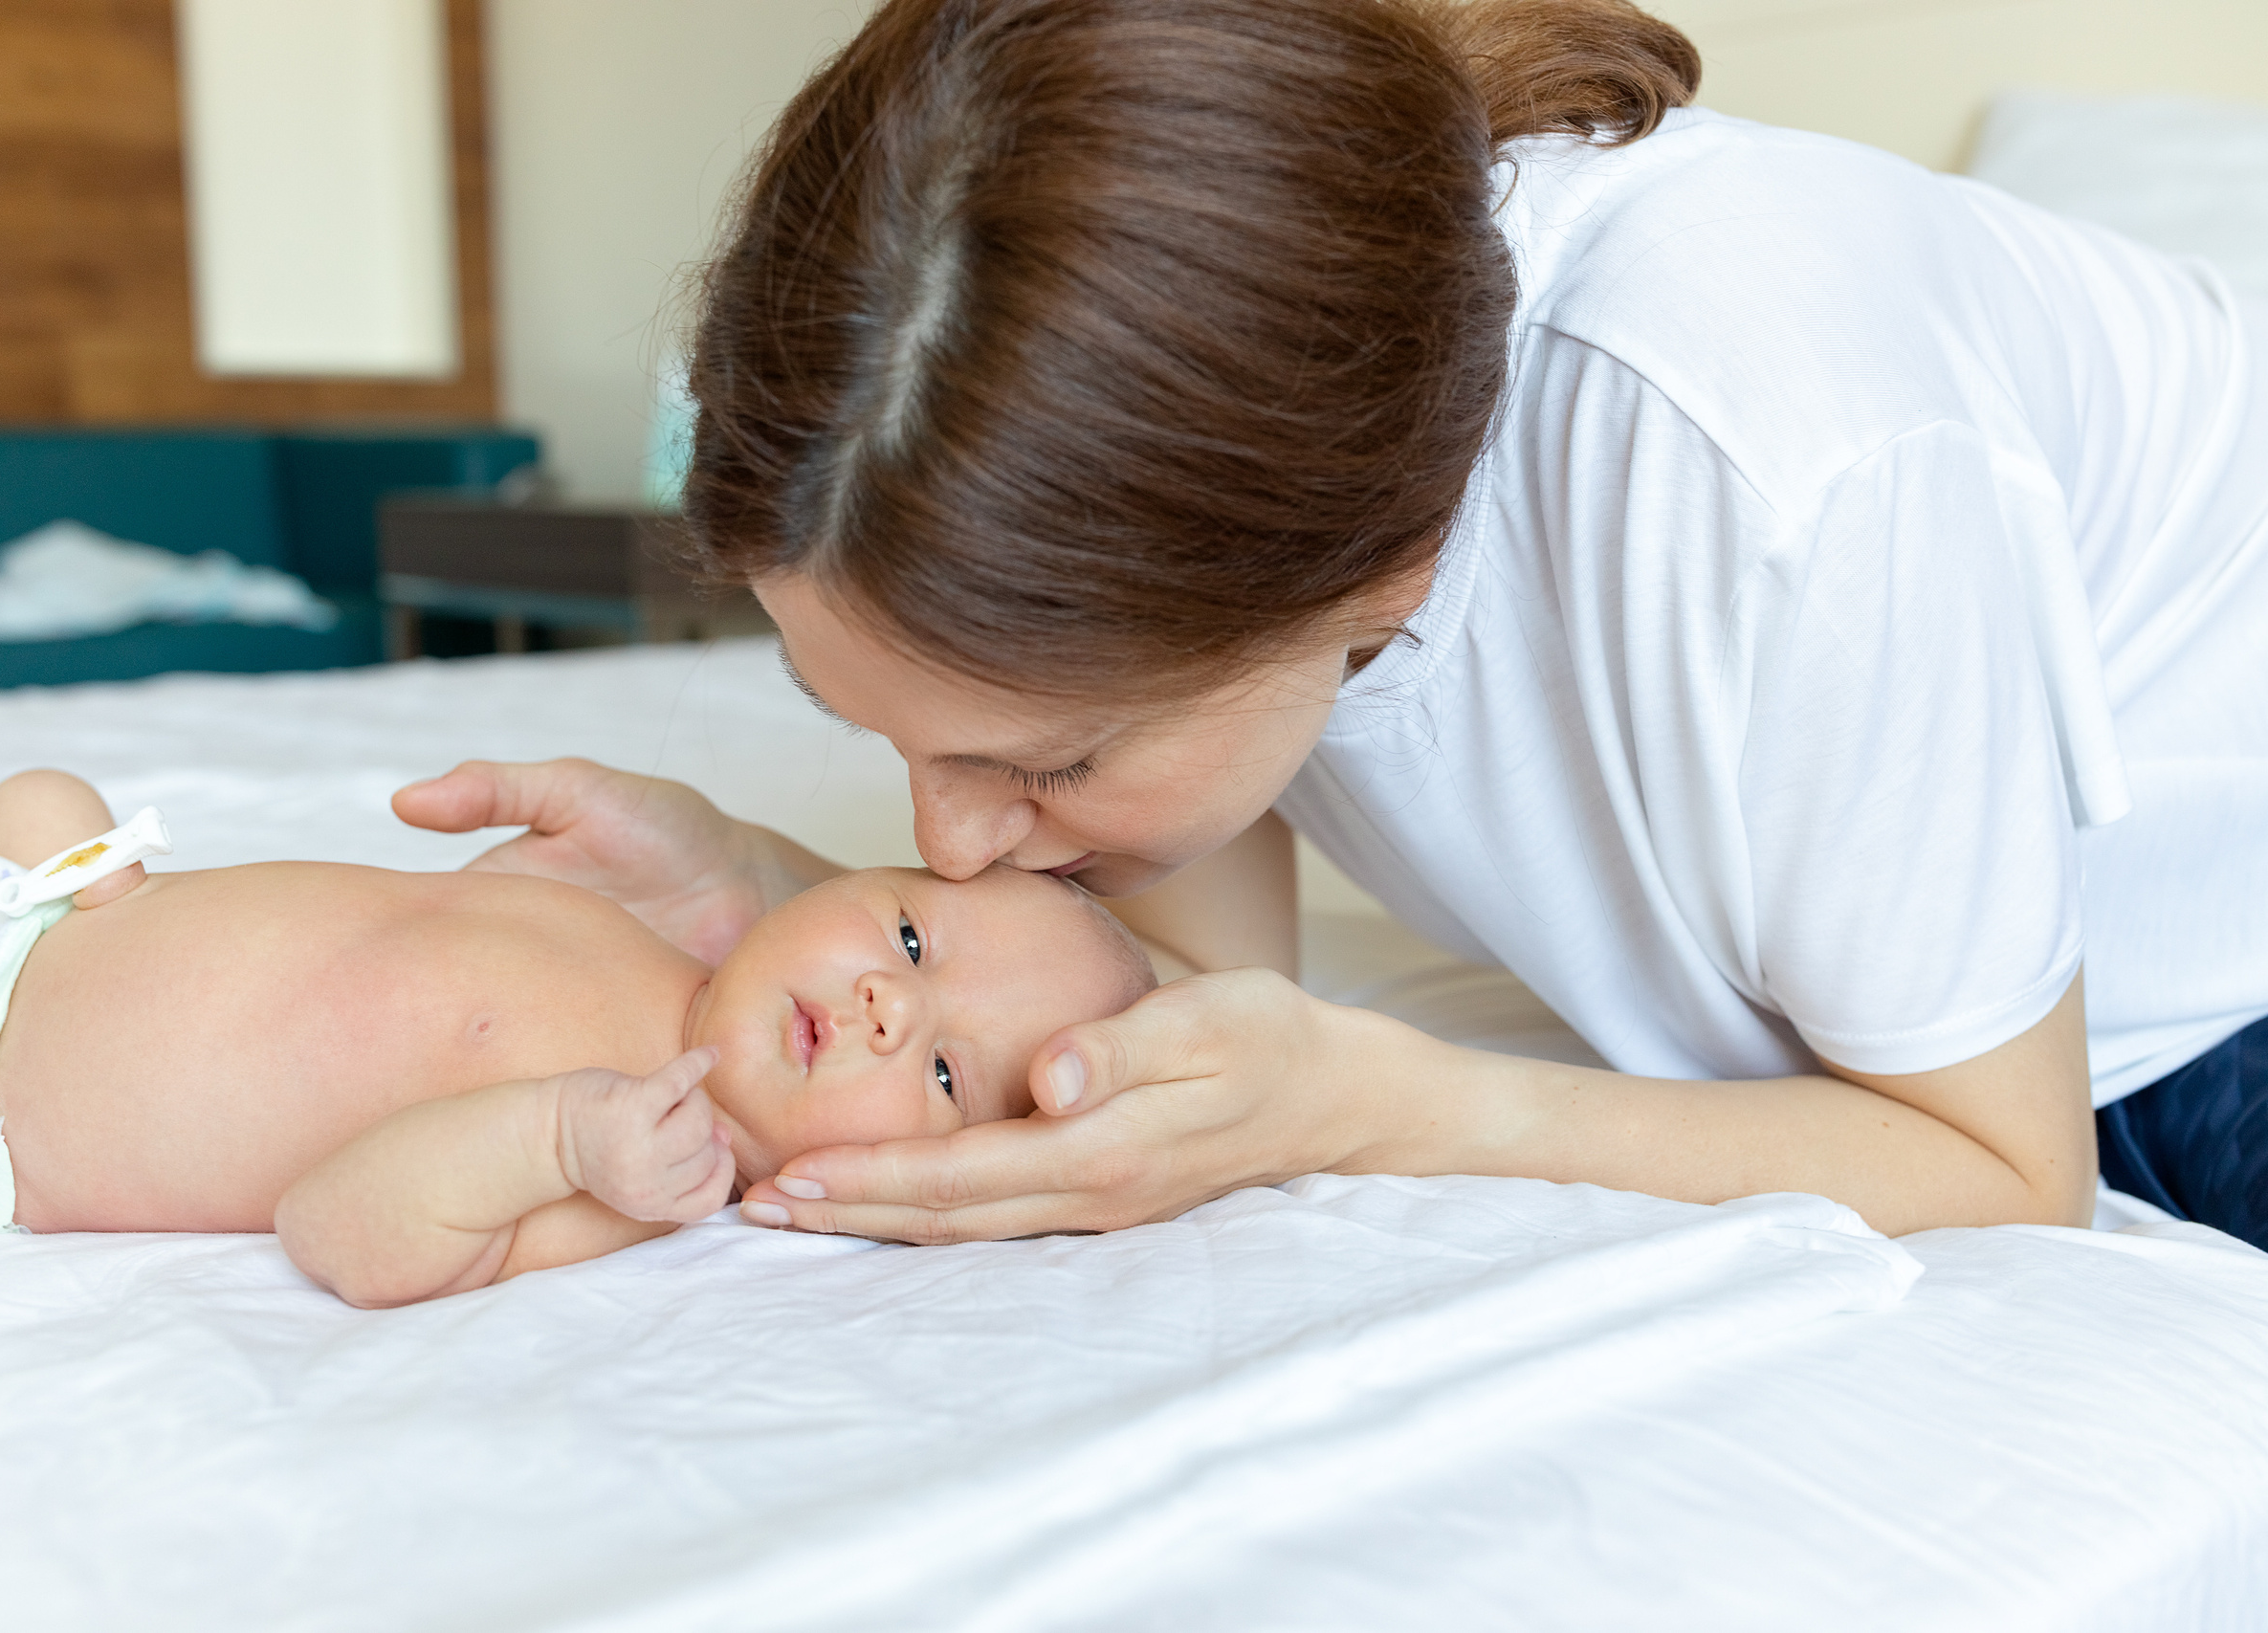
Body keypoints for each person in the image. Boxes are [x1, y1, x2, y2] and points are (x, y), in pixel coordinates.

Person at [401, 0, 2268, 1250]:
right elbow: (1171, 1002)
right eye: (890, 737)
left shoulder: (1779, 454)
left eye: (1047, 761)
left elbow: (2003, 1169)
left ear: (1383, 566)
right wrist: (773, 895)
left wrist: (1389, 1106)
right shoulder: (1259, 383)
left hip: (2198, 1002)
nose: (950, 840)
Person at [0, 770, 1153, 1305]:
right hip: (56, 908)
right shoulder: (655, 937)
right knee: (40, 793)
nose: (888, 1006)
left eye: (940, 1071)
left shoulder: (643, 1167)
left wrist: (558, 1139)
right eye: (909, 939)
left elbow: (339, 1229)